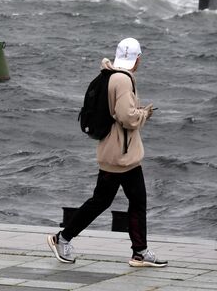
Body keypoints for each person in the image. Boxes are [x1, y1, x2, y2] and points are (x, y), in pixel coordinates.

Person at [47, 37, 167, 268]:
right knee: (133, 201)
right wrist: (144, 114)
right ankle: (138, 252)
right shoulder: (123, 80)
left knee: (102, 201)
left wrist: (135, 112)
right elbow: (126, 117)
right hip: (123, 155)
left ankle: (63, 238)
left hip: (111, 150)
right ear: (138, 58)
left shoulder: (109, 74)